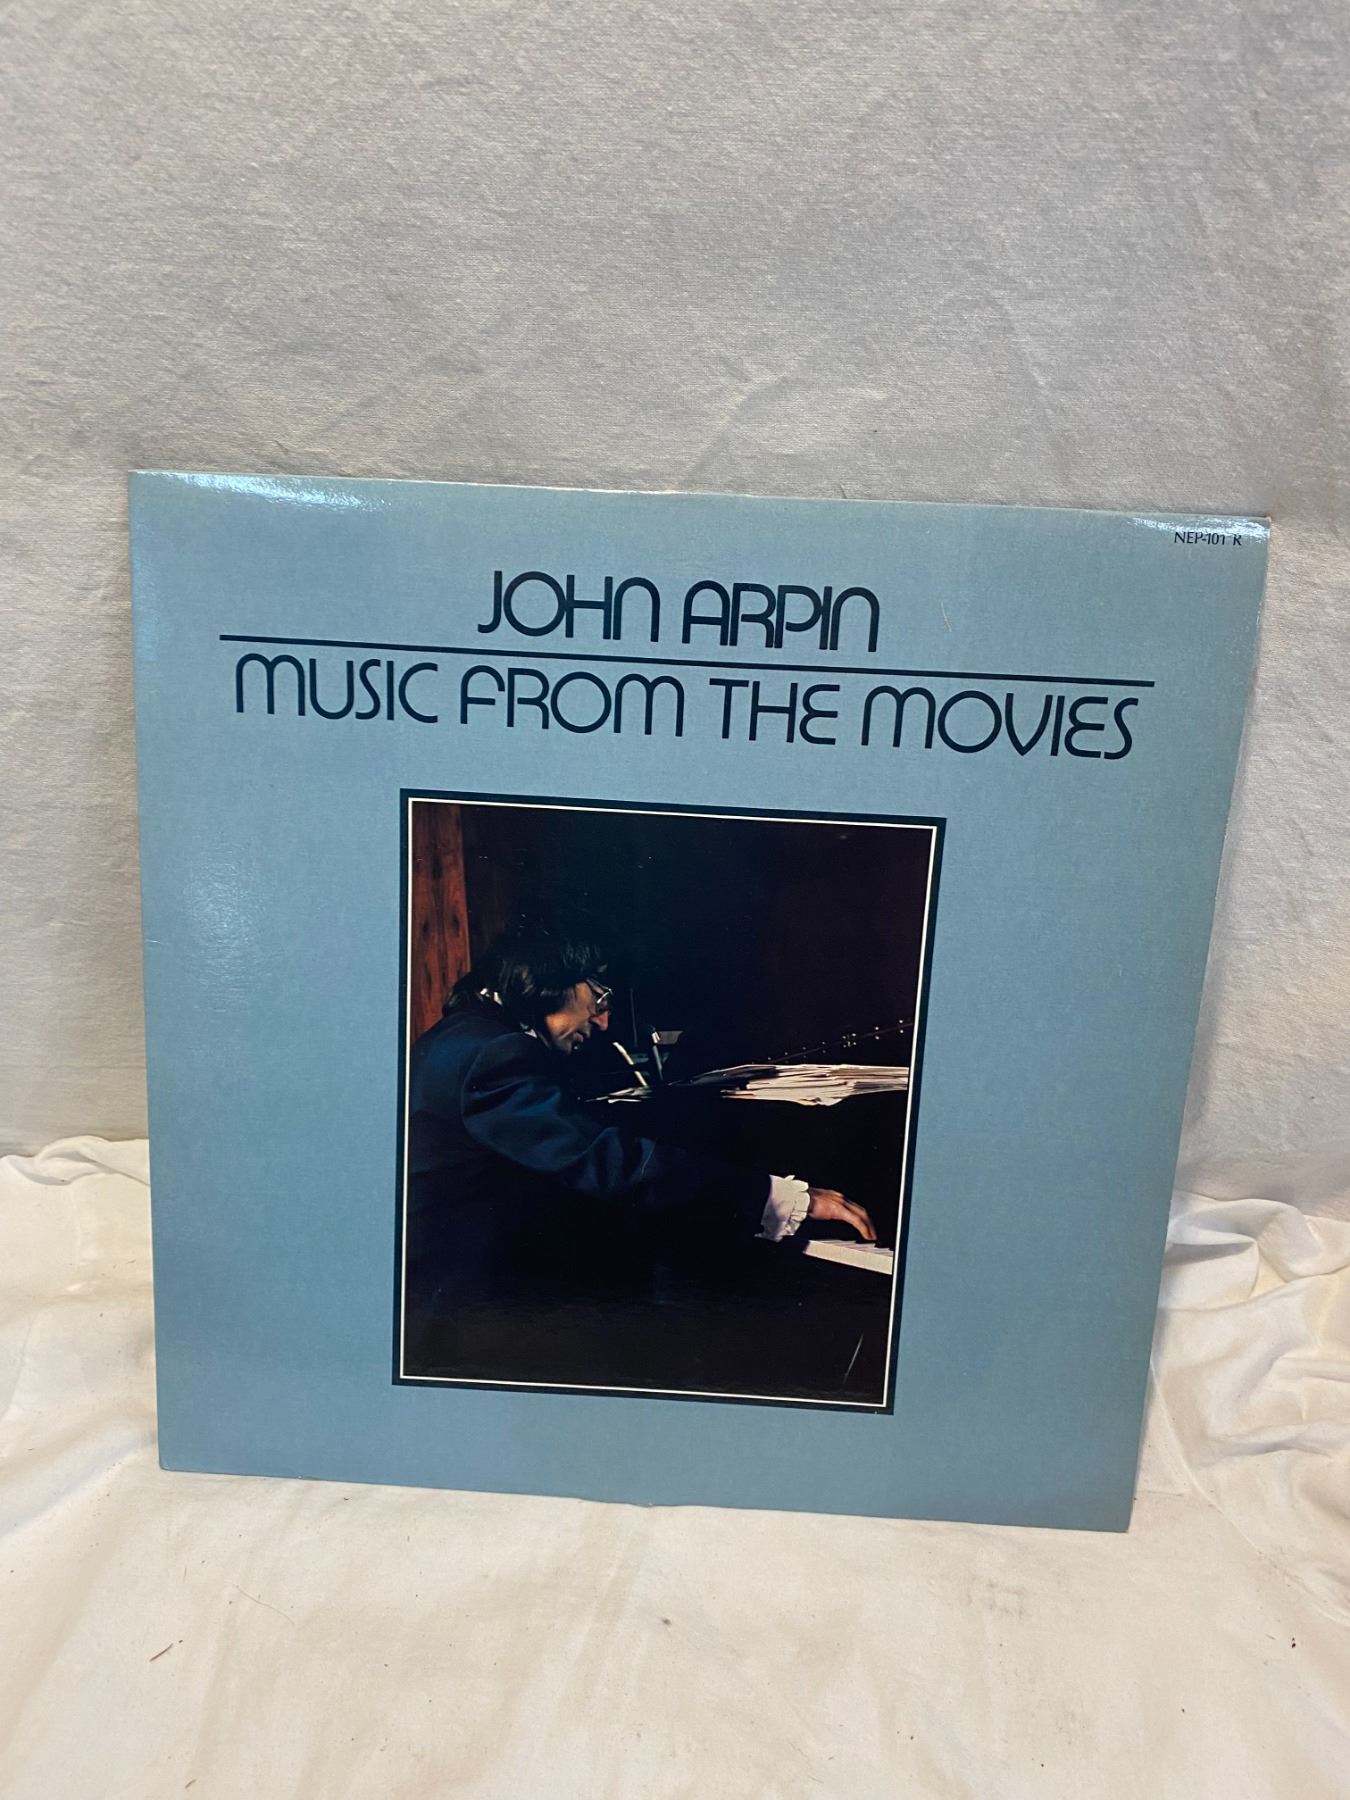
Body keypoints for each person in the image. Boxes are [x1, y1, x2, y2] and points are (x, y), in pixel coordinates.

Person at [403, 921, 875, 1343]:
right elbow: (610, 1163)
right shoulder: (493, 1054)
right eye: (599, 997)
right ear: (550, 980)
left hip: (464, 1290)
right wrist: (784, 1199)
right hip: (468, 1313)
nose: (604, 1021)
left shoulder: (463, 1036)